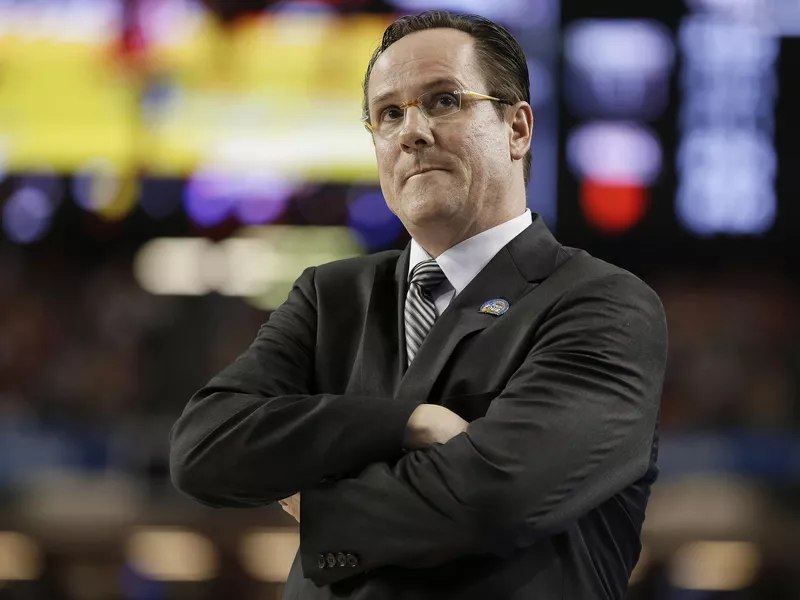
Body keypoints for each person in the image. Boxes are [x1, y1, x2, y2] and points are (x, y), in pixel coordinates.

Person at [169, 10, 668, 600]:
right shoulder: (329, 296)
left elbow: (495, 496)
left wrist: (322, 502)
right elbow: (203, 448)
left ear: (518, 128)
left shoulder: (603, 304)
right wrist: (408, 424)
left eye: (444, 101)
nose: (411, 131)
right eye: (388, 114)